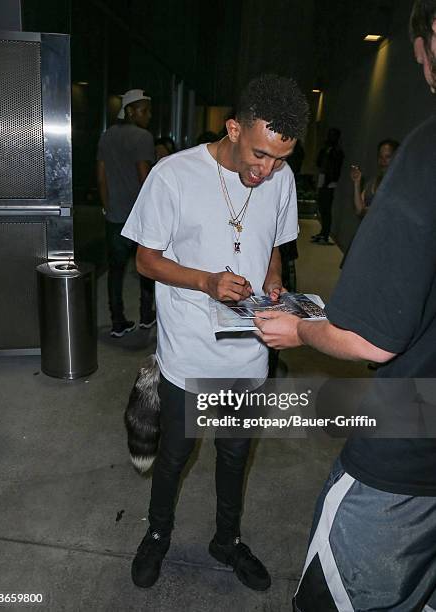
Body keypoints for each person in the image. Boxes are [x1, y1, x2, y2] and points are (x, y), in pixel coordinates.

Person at [255, 2, 436, 609]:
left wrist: (301, 333)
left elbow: (370, 338)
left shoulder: (429, 151)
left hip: (410, 453)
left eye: (420, 57)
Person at [122, 74, 309, 590]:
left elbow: (274, 241)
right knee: (175, 455)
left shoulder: (280, 179)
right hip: (188, 351)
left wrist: (274, 279)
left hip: (247, 357)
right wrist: (205, 281)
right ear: (232, 129)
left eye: (279, 159)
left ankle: (226, 540)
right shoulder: (173, 174)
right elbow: (146, 260)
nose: (266, 170)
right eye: (259, 155)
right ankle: (157, 535)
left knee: (234, 455)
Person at [97, 89, 156, 337]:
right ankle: (145, 316)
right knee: (146, 267)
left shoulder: (106, 135)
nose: (148, 115)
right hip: (138, 217)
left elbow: (100, 174)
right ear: (130, 111)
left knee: (116, 270)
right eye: (144, 110)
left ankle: (118, 321)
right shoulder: (143, 137)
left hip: (115, 215)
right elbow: (145, 176)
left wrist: (106, 206)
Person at [311, 127, 344, 245]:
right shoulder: (326, 149)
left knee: (326, 209)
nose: (330, 137)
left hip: (329, 182)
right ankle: (322, 233)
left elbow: (335, 169)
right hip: (323, 178)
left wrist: (329, 181)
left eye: (332, 135)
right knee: (322, 207)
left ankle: (325, 234)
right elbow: (319, 162)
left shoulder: (337, 151)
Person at [350, 138, 399, 217]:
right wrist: (357, 183)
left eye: (387, 157)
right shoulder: (372, 182)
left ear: (396, 158)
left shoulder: (399, 185)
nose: (383, 161)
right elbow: (359, 210)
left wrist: (365, 211)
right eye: (380, 156)